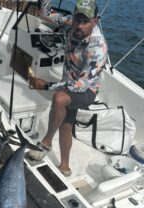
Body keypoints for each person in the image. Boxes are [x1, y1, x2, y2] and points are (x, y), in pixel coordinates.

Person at [27, 0, 108, 176]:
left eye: (85, 21)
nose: (79, 25)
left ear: (95, 21)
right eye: (77, 19)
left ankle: (46, 142)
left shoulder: (97, 47)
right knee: (66, 125)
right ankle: (65, 166)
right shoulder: (70, 24)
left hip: (87, 90)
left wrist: (46, 85)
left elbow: (81, 85)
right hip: (69, 81)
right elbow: (45, 14)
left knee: (59, 98)